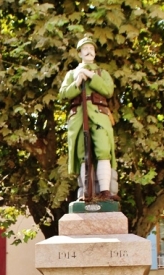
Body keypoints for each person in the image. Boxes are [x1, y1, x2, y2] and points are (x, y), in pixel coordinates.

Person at [58, 36, 118, 201]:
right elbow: (63, 94)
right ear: (79, 53)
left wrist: (91, 76)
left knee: (103, 149)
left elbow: (108, 90)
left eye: (91, 48)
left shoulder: (102, 73)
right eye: (85, 48)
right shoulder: (71, 74)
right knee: (82, 153)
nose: (89, 51)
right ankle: (86, 192)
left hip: (99, 116)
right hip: (78, 118)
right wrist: (78, 81)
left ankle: (105, 191)